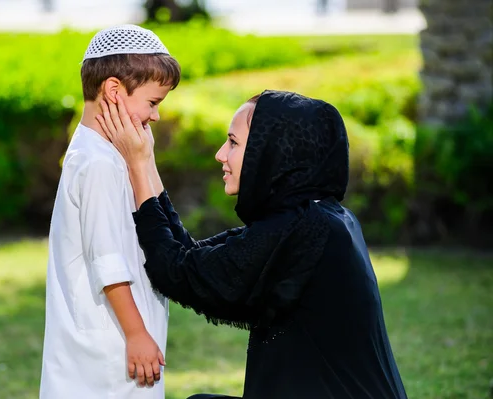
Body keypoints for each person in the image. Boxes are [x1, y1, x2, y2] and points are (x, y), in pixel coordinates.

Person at [97, 90, 409, 399]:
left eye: (233, 142)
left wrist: (136, 165)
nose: (221, 154)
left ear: (271, 152)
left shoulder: (302, 229)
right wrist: (146, 160)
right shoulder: (323, 217)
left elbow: (175, 271)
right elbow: (191, 257)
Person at [39, 24, 180, 399]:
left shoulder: (102, 153)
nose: (157, 116)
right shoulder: (97, 163)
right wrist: (136, 333)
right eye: (153, 103)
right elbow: (106, 258)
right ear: (114, 91)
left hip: (116, 340)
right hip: (110, 349)